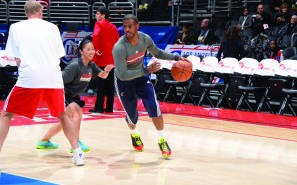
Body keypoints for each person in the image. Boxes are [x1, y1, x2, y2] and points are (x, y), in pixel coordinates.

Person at [0, 0, 84, 166]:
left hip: (30, 78)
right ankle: (78, 153)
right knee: (62, 115)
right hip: (53, 78)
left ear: (26, 13)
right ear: (40, 12)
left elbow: (16, 58)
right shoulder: (52, 27)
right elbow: (60, 55)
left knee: (6, 114)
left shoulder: (16, 27)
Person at [112, 14, 188, 159]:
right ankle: (134, 134)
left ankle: (162, 140)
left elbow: (158, 52)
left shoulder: (145, 38)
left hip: (141, 79)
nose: (126, 29)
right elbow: (122, 75)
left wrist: (176, 58)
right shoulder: (119, 47)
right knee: (132, 117)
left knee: (154, 108)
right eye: (125, 27)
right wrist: (147, 70)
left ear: (137, 26)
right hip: (124, 83)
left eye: (130, 26)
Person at [36, 39, 114, 152]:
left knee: (66, 122)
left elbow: (102, 75)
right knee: (77, 112)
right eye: (88, 49)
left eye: (93, 49)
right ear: (81, 51)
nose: (91, 51)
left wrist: (106, 71)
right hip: (61, 93)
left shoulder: (91, 65)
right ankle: (76, 143)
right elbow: (59, 80)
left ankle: (43, 141)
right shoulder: (74, 66)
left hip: (71, 96)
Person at [89, 8, 119, 114]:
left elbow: (96, 36)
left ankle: (99, 108)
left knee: (101, 84)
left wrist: (95, 49)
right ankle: (109, 107)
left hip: (102, 58)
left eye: (97, 14)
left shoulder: (99, 24)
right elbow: (117, 41)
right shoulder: (113, 27)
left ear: (103, 15)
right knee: (110, 85)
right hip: (112, 59)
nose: (96, 16)